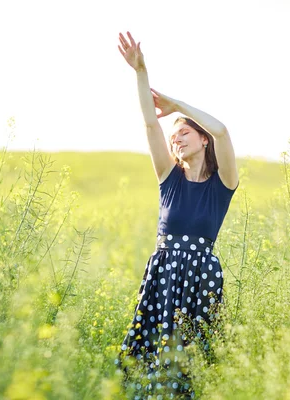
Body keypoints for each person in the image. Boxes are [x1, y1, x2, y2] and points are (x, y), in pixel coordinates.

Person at [115, 31, 239, 399]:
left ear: (202, 141)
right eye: (175, 137)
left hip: (201, 280)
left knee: (193, 367)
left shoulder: (222, 186)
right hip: (163, 280)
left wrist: (179, 105)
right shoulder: (169, 179)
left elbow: (222, 130)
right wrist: (141, 72)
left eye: (184, 133)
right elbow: (151, 124)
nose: (176, 139)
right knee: (149, 362)